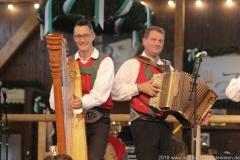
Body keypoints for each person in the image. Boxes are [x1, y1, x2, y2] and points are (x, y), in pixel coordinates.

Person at [111, 26, 211, 160]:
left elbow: (179, 98)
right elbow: (115, 91)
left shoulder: (168, 67)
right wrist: (139, 87)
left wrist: (197, 115)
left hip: (163, 124)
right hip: (143, 123)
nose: (157, 43)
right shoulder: (133, 63)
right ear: (144, 41)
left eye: (160, 40)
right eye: (153, 39)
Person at [50, 19, 115, 160]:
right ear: (74, 38)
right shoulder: (67, 62)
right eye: (78, 36)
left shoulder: (105, 62)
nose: (82, 39)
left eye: (86, 35)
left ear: (93, 36)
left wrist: (81, 102)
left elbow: (100, 95)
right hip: (72, 120)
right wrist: (62, 105)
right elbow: (54, 98)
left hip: (98, 121)